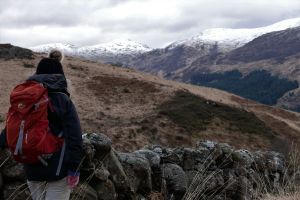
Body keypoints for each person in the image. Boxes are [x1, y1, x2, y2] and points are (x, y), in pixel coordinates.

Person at [0, 50, 84, 200]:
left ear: (37, 73)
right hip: (58, 170)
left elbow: (10, 130)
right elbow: (75, 137)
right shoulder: (62, 99)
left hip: (31, 166)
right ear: (60, 75)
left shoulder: (25, 99)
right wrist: (74, 169)